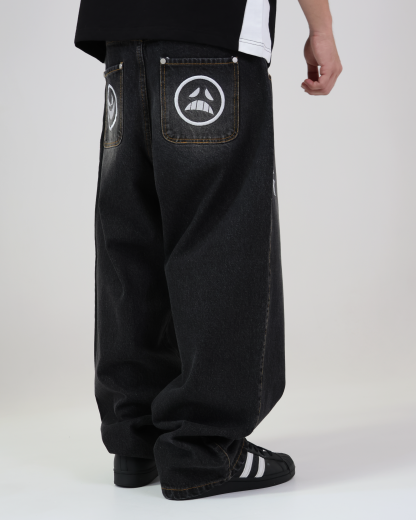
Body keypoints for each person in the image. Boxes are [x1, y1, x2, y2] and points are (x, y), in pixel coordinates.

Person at [74, 0, 342, 501]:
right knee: (221, 234)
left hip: (120, 35)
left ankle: (135, 440)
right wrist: (321, 28)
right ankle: (202, 450)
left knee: (131, 241)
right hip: (213, 28)